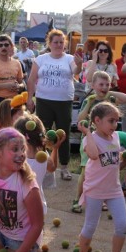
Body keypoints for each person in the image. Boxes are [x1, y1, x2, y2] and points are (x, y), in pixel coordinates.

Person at [75, 102, 126, 252]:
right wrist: (87, 133)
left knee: (122, 225)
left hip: (114, 189)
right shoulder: (89, 139)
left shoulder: (115, 137)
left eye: (116, 121)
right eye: (111, 121)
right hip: (95, 189)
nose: (115, 125)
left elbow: (113, 164)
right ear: (97, 120)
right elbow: (92, 155)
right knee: (90, 226)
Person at [13, 114, 66, 252]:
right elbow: (52, 168)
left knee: (27, 245)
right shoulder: (42, 156)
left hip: (25, 207)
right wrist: (55, 148)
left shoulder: (20, 159)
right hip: (39, 206)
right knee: (33, 243)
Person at [26, 29, 83, 180]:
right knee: (41, 133)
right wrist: (29, 98)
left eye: (61, 42)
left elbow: (76, 71)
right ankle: (41, 165)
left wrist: (79, 64)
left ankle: (64, 167)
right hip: (44, 100)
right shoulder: (41, 59)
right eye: (55, 42)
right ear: (49, 43)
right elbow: (31, 79)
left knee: (63, 134)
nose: (58, 45)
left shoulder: (69, 58)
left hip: (64, 101)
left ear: (64, 44)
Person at [72, 71, 126, 214]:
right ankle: (77, 200)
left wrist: (110, 92)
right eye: (101, 84)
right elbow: (80, 118)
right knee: (86, 171)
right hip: (91, 140)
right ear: (93, 85)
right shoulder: (89, 100)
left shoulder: (110, 99)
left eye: (107, 84)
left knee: (106, 168)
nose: (104, 87)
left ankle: (102, 199)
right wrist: (89, 102)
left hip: (107, 141)